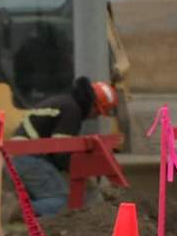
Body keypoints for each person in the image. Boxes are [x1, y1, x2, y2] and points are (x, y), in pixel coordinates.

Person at [10, 76, 118, 216]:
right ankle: (19, 211)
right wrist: (83, 171)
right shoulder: (71, 110)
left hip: (21, 156)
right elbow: (61, 152)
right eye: (98, 112)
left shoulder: (63, 102)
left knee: (47, 197)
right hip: (29, 157)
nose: (95, 117)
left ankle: (25, 212)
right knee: (61, 201)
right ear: (93, 105)